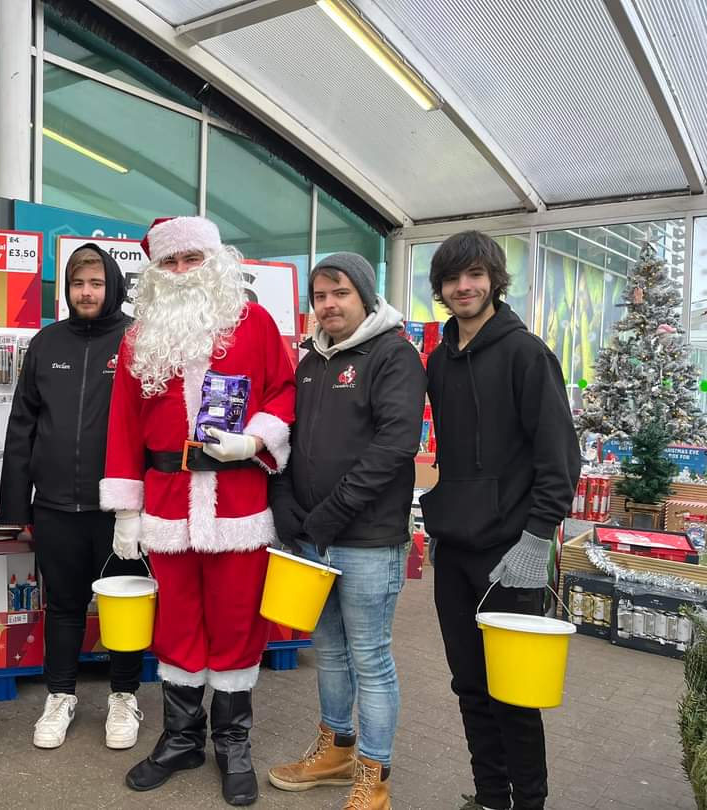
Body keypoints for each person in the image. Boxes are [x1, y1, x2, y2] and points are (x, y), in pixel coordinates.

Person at [100, 216, 295, 806]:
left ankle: (234, 742)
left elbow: (285, 390)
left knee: (237, 621)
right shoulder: (138, 338)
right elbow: (123, 426)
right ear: (155, 273)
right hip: (165, 502)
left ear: (215, 262)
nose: (182, 272)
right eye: (170, 263)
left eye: (192, 260)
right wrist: (126, 511)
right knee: (178, 622)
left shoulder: (255, 323)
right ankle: (182, 738)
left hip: (237, 502)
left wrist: (256, 440)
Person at [420, 231, 579, 810]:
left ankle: (529, 802)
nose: (464, 287)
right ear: (440, 288)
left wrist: (538, 537)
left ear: (494, 281)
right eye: (453, 278)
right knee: (469, 687)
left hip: (513, 553)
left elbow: (559, 457)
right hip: (455, 549)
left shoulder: (526, 353)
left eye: (475, 276)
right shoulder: (439, 360)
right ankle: (491, 797)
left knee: (512, 692)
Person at [267, 254, 426, 810]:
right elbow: (286, 438)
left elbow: (395, 444)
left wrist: (333, 511)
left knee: (370, 657)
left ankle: (374, 777)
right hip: (313, 536)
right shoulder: (310, 360)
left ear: (364, 295)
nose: (329, 304)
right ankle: (335, 750)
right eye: (320, 295)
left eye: (340, 293)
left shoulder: (394, 355)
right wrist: (283, 499)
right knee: (329, 651)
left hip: (367, 540)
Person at [0, 244, 147, 751]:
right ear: (67, 289)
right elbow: (21, 427)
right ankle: (60, 696)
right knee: (62, 607)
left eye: (96, 283)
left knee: (124, 607)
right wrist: (16, 508)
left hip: (120, 509)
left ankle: (124, 696)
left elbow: (155, 424)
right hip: (56, 507)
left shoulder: (137, 340)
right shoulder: (46, 343)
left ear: (113, 286)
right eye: (78, 284)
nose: (87, 292)